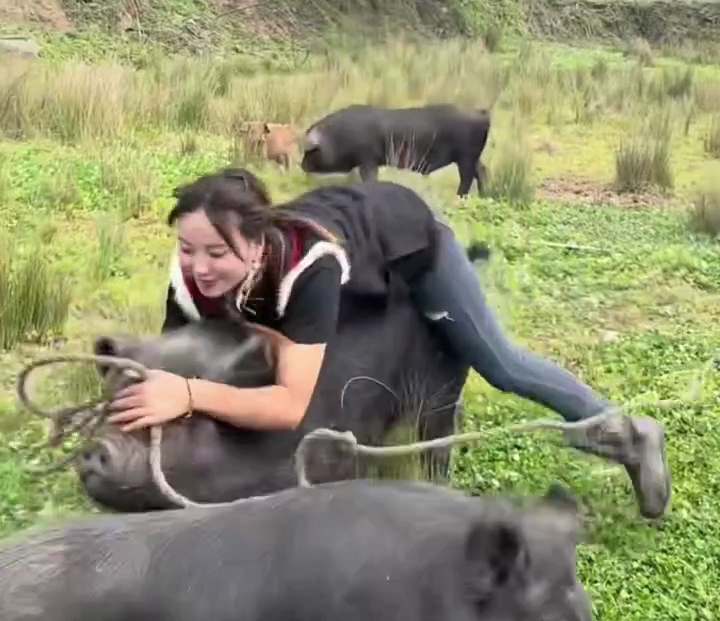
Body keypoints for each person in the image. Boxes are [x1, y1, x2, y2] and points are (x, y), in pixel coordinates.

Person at [108, 167, 671, 520]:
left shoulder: (307, 271)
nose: (200, 268)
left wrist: (189, 393)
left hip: (408, 242)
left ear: (256, 245)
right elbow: (183, 358)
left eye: (216, 253)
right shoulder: (191, 279)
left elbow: (288, 405)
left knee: (500, 363)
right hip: (352, 265)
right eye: (188, 249)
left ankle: (626, 434)